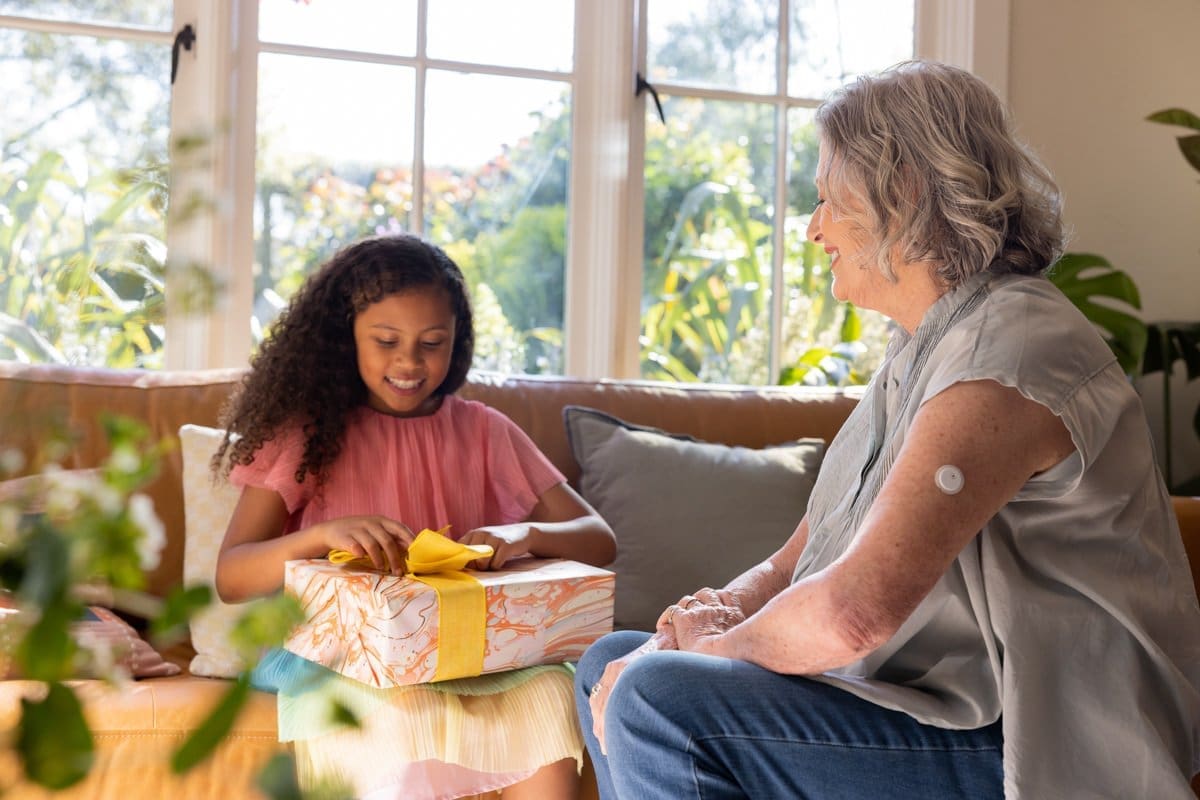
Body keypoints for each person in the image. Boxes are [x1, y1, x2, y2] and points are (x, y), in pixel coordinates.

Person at [575, 60, 1200, 799]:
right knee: (609, 663)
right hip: (940, 714)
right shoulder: (923, 351)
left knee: (658, 698)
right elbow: (792, 564)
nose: (812, 230)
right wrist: (703, 618)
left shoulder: (1012, 353)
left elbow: (855, 612)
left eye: (825, 201)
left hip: (1036, 744)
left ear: (900, 190)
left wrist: (705, 653)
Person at [213, 234, 616, 800]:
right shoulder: (306, 436)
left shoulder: (484, 431)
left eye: (433, 342)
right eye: (386, 341)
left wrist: (524, 534)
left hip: (460, 652)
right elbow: (231, 577)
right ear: (342, 338)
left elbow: (598, 539)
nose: (409, 362)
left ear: (458, 341)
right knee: (399, 704)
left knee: (551, 692)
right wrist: (323, 535)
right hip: (328, 655)